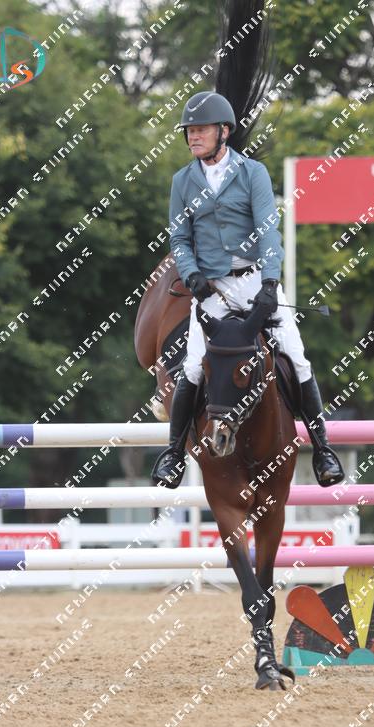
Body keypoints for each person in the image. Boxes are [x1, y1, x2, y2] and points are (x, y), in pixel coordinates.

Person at [152, 91, 344, 489]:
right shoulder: (182, 181)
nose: (193, 137)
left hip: (255, 278)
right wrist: (191, 275)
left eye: (201, 130)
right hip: (211, 287)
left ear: (223, 132)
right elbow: (179, 239)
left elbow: (268, 231)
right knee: (193, 365)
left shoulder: (252, 173)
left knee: (297, 356)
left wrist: (270, 282)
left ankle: (323, 449)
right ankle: (172, 454)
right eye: (189, 131)